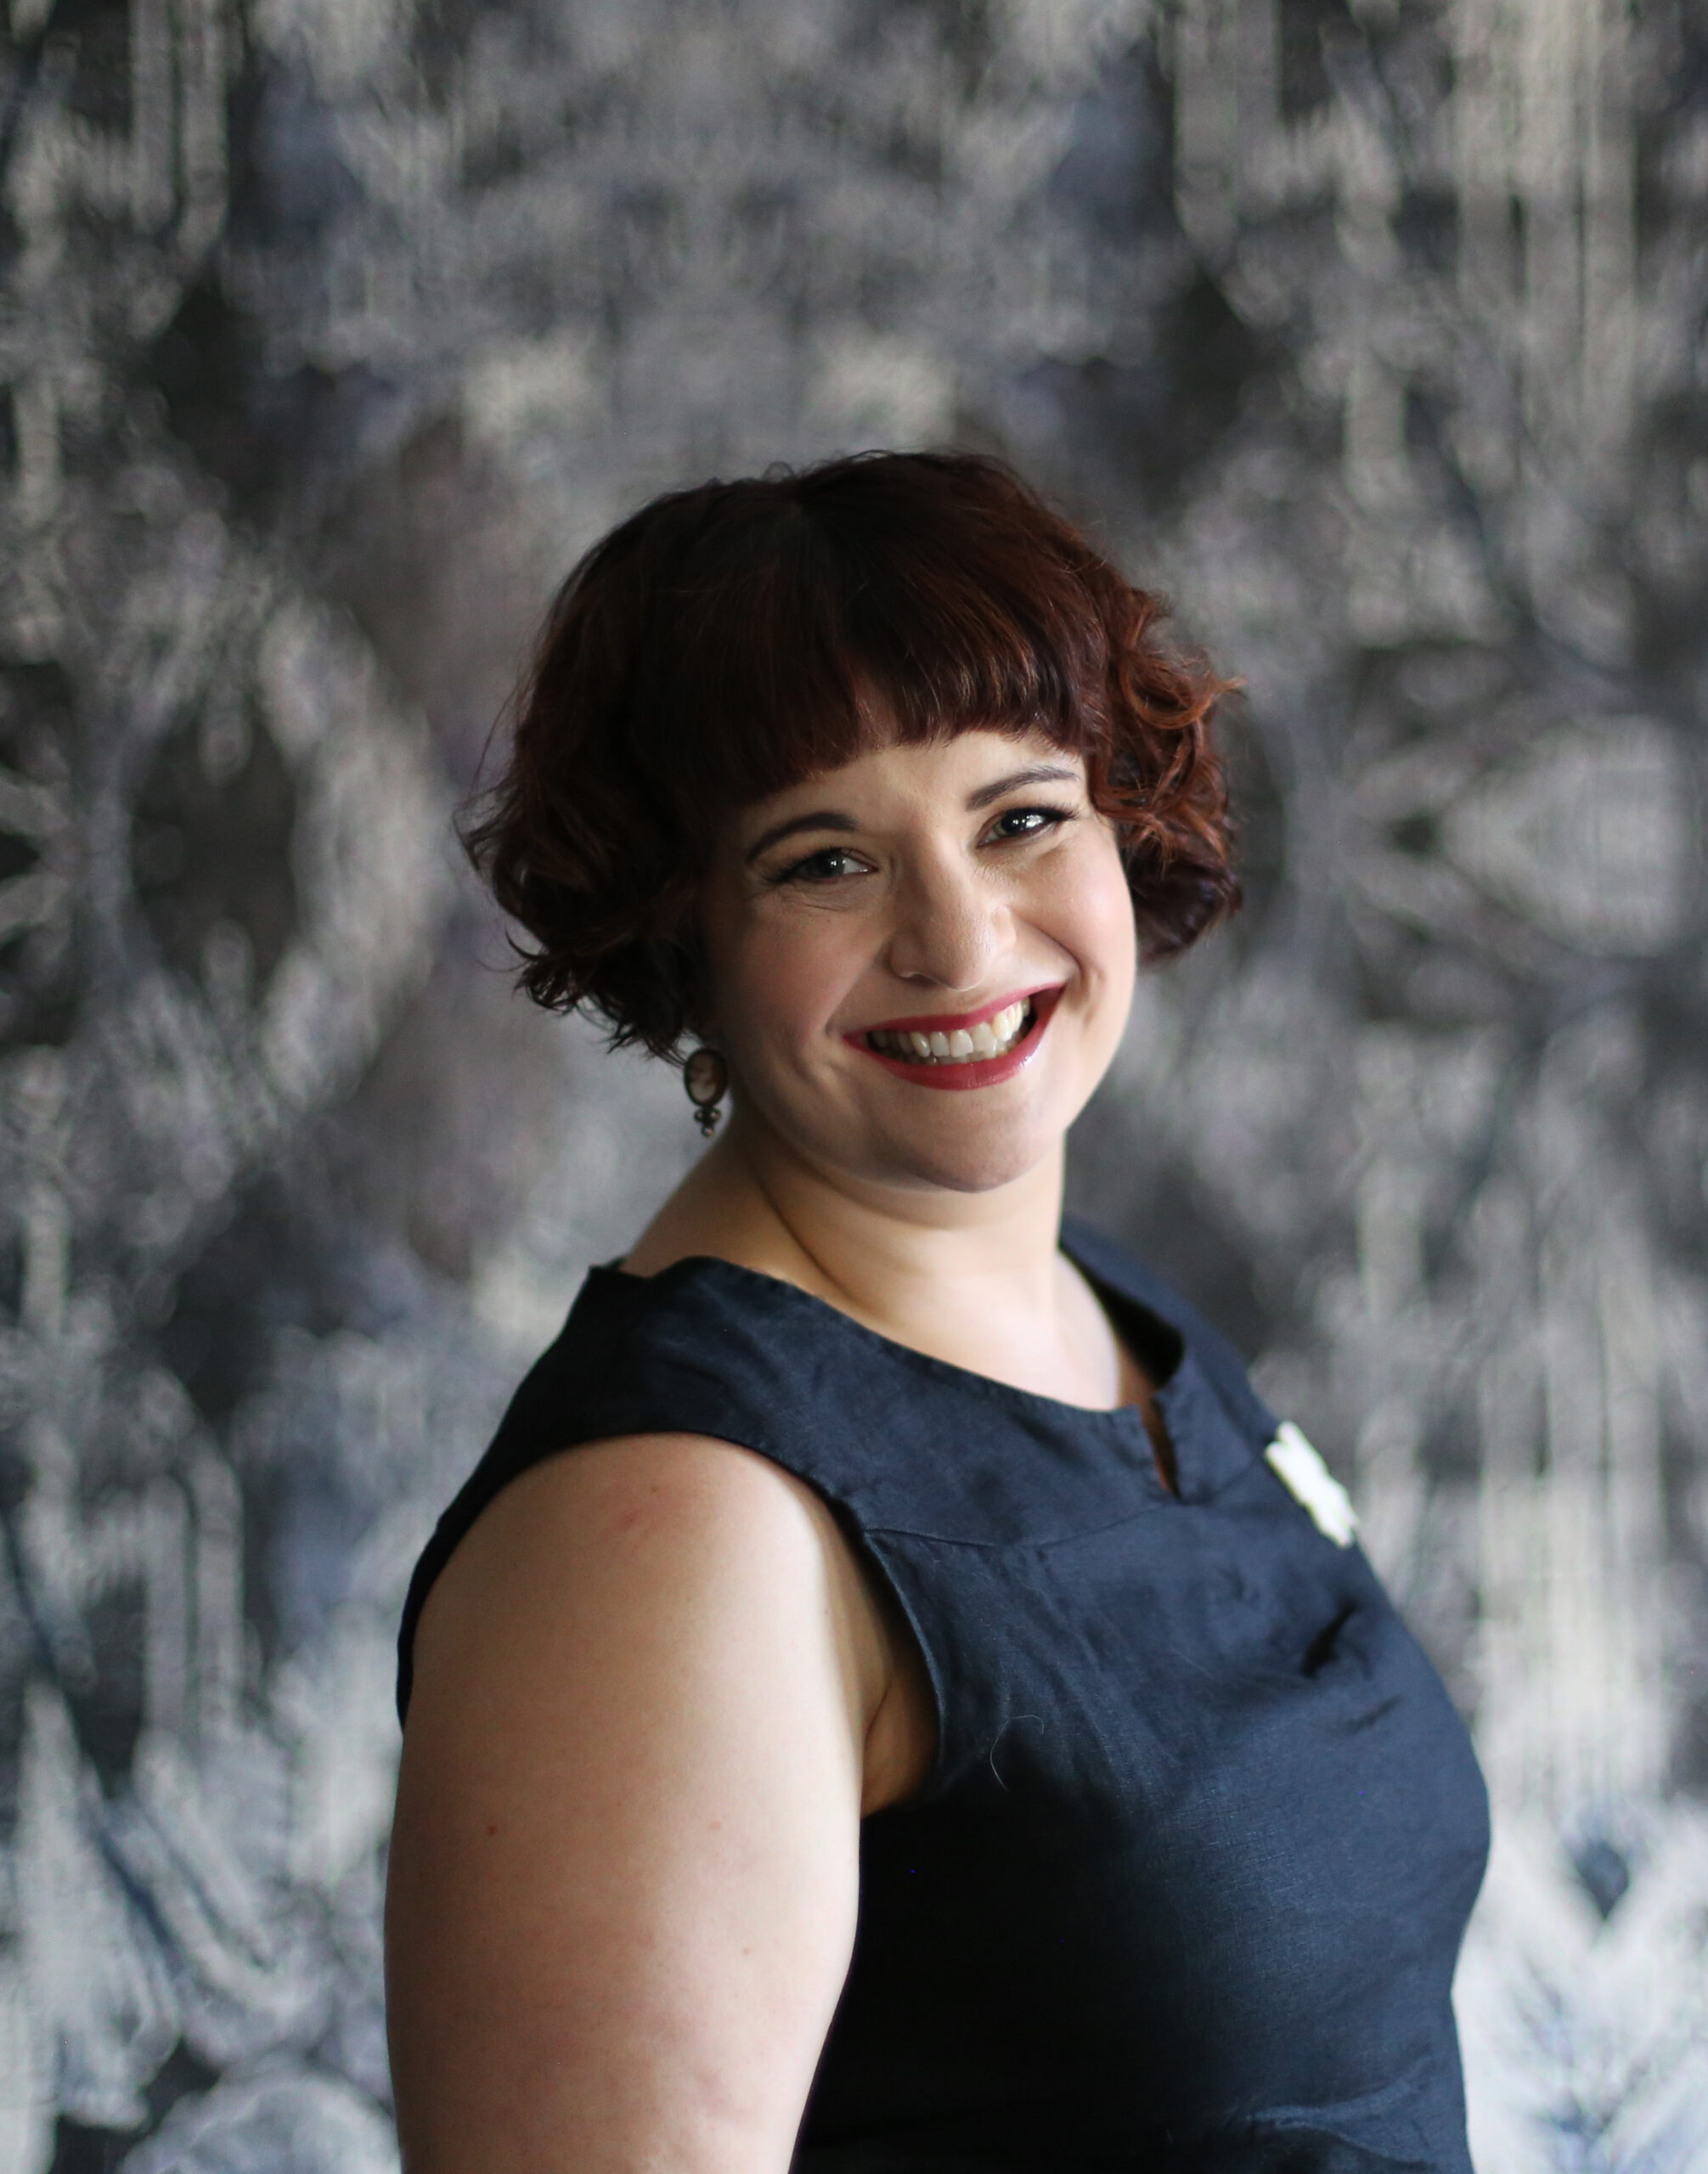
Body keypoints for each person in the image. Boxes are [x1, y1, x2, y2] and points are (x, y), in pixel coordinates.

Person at [385, 451, 1490, 2172]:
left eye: (1021, 814)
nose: (959, 936)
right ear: (682, 937)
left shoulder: (1104, 1303)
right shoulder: (668, 1530)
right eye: (825, 860)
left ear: (1123, 816)